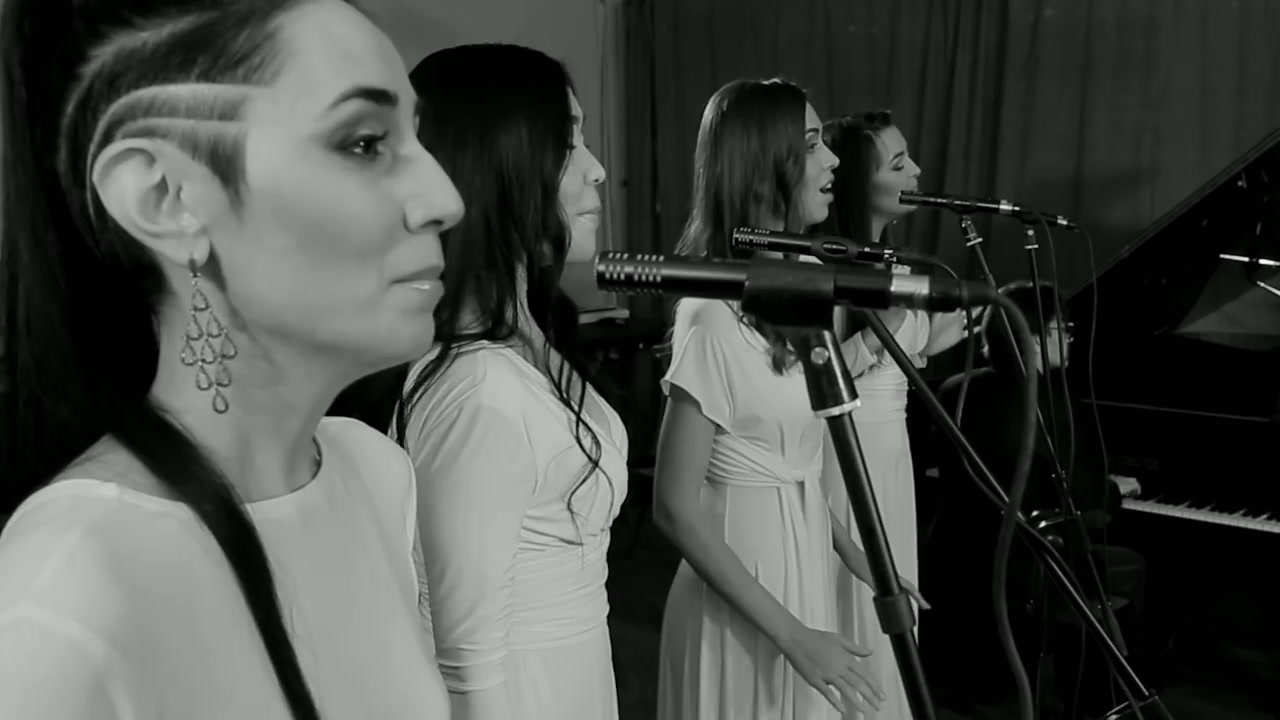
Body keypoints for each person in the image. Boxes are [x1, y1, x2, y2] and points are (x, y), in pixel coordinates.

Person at [0, 1, 464, 718]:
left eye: (418, 137)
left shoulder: (375, 473)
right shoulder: (66, 593)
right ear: (165, 198)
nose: (444, 199)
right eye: (365, 142)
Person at [654, 78, 911, 720]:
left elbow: (798, 463)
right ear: (764, 163)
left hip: (805, 571)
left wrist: (859, 559)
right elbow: (674, 507)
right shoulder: (710, 315)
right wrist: (793, 636)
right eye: (813, 145)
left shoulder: (804, 289)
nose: (833, 161)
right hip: (744, 595)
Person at [396, 44, 629, 720]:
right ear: (498, 164)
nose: (597, 169)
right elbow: (465, 668)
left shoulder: (527, 342)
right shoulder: (478, 393)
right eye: (568, 144)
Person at [816, 109, 967, 719]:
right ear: (859, 180)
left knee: (897, 603)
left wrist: (938, 332)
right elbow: (815, 374)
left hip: (893, 454)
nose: (917, 172)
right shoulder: (828, 264)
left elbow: (905, 348)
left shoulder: (889, 260)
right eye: (899, 164)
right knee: (855, 599)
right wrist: (886, 332)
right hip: (847, 453)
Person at [930, 281, 1145, 705]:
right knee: (1134, 566)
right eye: (1061, 329)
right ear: (1030, 336)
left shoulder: (954, 387)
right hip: (1021, 564)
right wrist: (1113, 490)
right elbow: (1085, 498)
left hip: (956, 554)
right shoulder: (1049, 401)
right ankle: (1103, 696)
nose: (1070, 338)